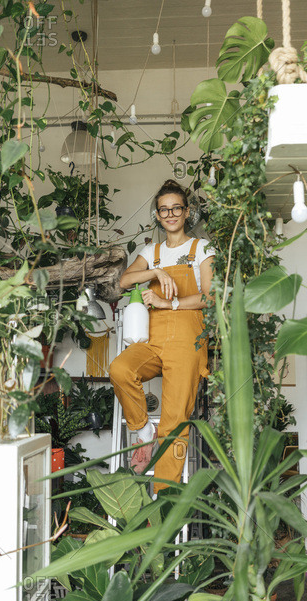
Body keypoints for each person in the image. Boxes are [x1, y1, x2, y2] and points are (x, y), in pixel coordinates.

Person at [109, 179, 215, 493]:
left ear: (186, 212)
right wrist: (157, 272)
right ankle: (142, 430)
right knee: (120, 369)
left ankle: (163, 499)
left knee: (174, 423)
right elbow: (125, 280)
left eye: (176, 208)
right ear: (157, 215)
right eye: (164, 209)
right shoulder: (151, 252)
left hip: (187, 341)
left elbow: (209, 298)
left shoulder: (201, 249)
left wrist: (171, 302)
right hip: (152, 339)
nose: (170, 214)